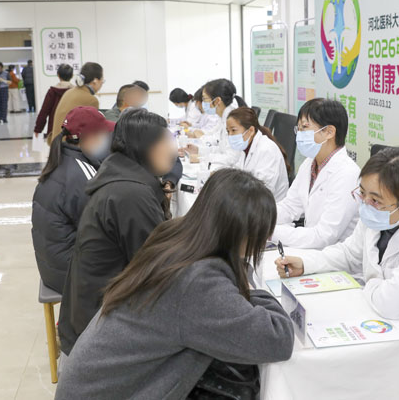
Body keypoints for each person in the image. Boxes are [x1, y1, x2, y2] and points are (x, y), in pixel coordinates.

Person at [55, 169, 294, 400]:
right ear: (241, 232)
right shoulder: (197, 283)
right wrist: (258, 293)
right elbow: (278, 339)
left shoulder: (176, 236)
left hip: (97, 386)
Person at [276, 147, 399, 394]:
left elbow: (391, 304)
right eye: (362, 193)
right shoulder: (380, 214)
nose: (365, 204)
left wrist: (370, 281)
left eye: (375, 200)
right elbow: (350, 254)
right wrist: (306, 263)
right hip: (388, 344)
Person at [58, 108, 177, 357]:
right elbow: (159, 270)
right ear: (145, 147)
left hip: (93, 313)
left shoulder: (121, 176)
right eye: (166, 141)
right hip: (101, 328)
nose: (173, 151)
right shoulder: (131, 195)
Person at [31, 106, 115, 294]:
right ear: (89, 137)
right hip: (71, 276)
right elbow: (103, 228)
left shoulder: (61, 161)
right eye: (104, 134)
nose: (107, 139)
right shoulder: (83, 176)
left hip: (52, 268)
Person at [271, 98, 360, 248]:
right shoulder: (309, 163)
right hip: (311, 248)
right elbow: (290, 206)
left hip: (335, 256)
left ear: (329, 132)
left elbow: (324, 236)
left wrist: (269, 232)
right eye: (298, 129)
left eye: (305, 127)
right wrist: (258, 219)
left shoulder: (347, 174)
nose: (299, 134)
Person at [226, 107, 289, 200]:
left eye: (233, 130)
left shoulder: (267, 150)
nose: (230, 135)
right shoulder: (244, 147)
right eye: (228, 131)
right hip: (249, 200)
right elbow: (236, 173)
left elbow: (263, 191)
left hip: (268, 204)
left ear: (251, 131)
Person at [185, 78, 246, 167]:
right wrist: (198, 150)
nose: (203, 103)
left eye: (204, 99)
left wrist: (202, 158)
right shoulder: (224, 117)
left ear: (217, 101)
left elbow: (232, 158)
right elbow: (221, 149)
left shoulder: (233, 121)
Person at [49, 62, 104, 144]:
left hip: (56, 145)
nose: (102, 83)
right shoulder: (91, 100)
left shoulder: (69, 92)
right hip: (69, 147)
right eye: (102, 80)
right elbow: (91, 132)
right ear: (95, 81)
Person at [34, 64, 73, 142]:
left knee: (56, 148)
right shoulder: (75, 92)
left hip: (54, 129)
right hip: (72, 129)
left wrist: (38, 128)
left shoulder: (52, 91)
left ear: (58, 75)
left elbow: (44, 111)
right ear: (72, 76)